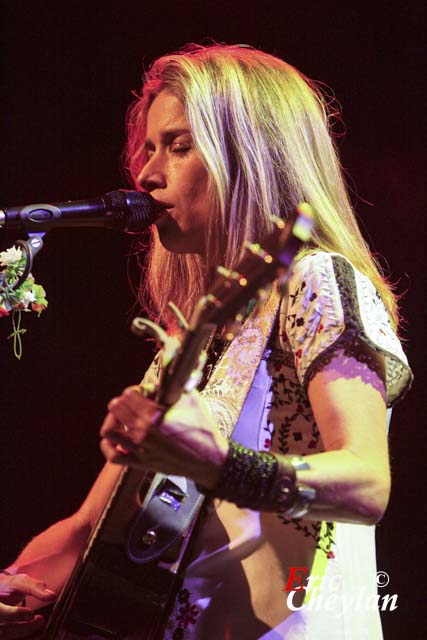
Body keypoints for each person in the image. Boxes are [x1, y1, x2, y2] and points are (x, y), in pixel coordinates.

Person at [2, 44, 412, 639]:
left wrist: (222, 465)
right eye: (149, 148)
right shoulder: (195, 336)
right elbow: (85, 532)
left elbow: (368, 483)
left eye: (179, 146)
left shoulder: (316, 281)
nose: (145, 173)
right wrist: (14, 585)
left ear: (249, 157)